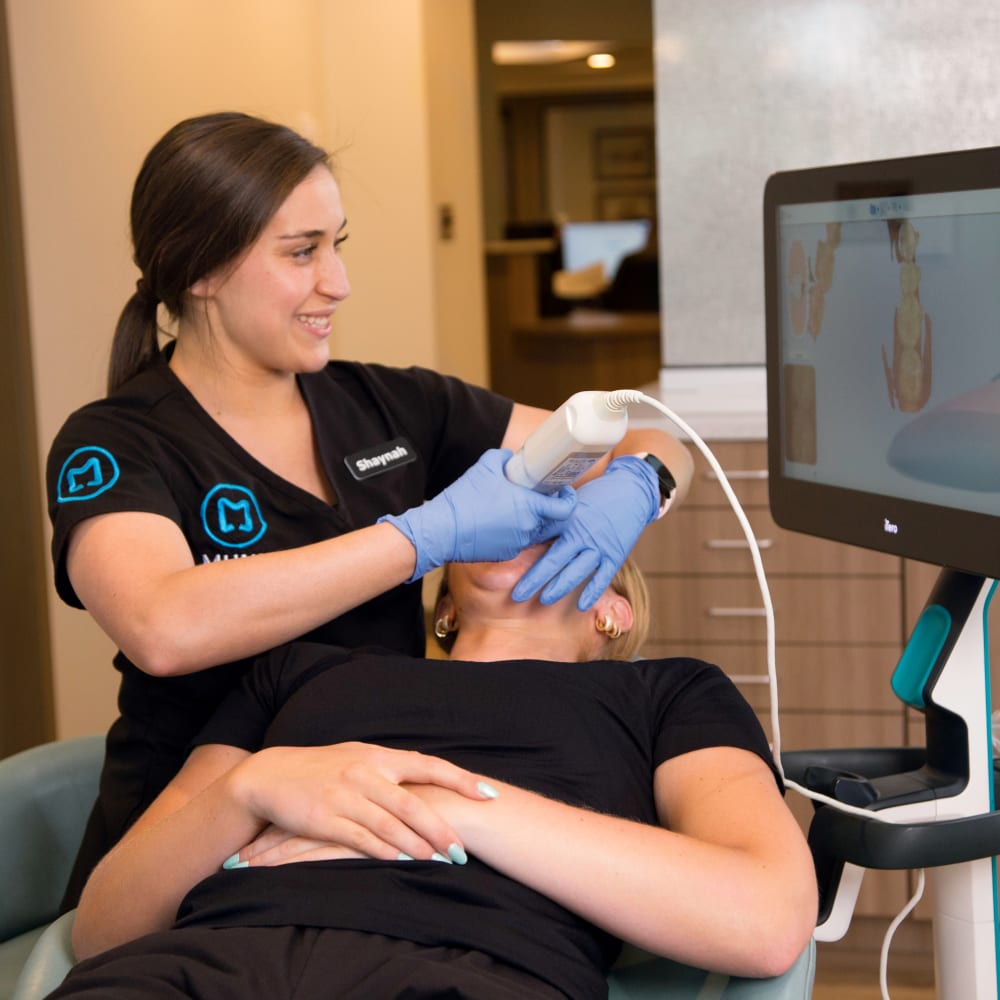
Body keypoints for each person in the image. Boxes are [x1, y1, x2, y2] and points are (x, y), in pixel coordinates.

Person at [45, 111, 695, 909]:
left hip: (359, 834)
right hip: (185, 858)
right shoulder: (116, 443)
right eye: (301, 252)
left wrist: (637, 485)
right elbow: (164, 628)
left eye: (337, 244)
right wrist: (423, 538)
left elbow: (652, 439)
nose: (338, 282)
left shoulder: (393, 405)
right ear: (202, 271)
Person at [49, 546, 817, 1000]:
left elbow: (767, 917)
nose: (531, 508)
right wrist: (256, 786)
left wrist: (451, 806)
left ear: (611, 611)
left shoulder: (666, 693)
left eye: (562, 509)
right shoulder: (301, 673)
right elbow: (104, 928)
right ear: (443, 600)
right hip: (206, 963)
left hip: (466, 973)